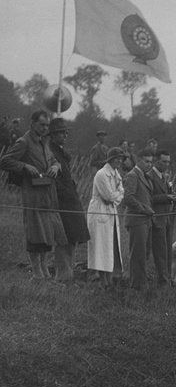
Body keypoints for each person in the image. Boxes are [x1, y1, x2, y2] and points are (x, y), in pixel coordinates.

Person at [0, 110, 68, 280]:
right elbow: (5, 160)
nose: (45, 128)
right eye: (41, 125)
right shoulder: (23, 142)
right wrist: (24, 166)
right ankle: (37, 273)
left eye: (47, 125)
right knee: (35, 233)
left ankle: (44, 271)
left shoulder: (44, 142)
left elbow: (53, 160)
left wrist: (55, 166)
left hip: (48, 195)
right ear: (32, 123)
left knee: (47, 234)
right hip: (33, 196)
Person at [47, 117, 90, 282]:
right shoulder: (50, 152)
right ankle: (62, 277)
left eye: (66, 132)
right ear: (52, 134)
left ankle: (67, 275)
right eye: (61, 132)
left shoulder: (61, 152)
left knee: (72, 238)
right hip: (61, 202)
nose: (65, 135)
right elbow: (53, 179)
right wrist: (65, 193)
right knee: (63, 240)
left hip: (70, 201)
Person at [86, 148, 125, 286]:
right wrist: (117, 195)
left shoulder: (116, 174)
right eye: (117, 158)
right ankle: (103, 281)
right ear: (110, 159)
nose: (120, 161)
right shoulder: (102, 174)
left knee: (110, 246)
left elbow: (121, 193)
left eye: (121, 158)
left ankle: (109, 279)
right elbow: (108, 196)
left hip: (111, 212)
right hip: (100, 212)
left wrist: (116, 195)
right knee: (101, 247)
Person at [122, 152, 156, 289]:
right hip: (136, 220)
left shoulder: (145, 176)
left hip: (145, 220)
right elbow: (128, 198)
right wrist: (144, 209)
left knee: (145, 253)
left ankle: (141, 282)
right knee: (138, 254)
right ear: (139, 161)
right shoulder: (132, 175)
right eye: (147, 161)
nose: (149, 164)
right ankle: (137, 285)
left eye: (151, 162)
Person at [148, 150, 176, 285]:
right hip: (156, 219)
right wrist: (166, 197)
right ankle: (163, 281)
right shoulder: (149, 176)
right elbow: (148, 198)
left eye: (168, 162)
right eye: (163, 161)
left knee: (167, 252)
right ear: (156, 161)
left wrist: (171, 196)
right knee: (160, 252)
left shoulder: (164, 177)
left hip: (166, 219)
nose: (166, 164)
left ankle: (168, 278)